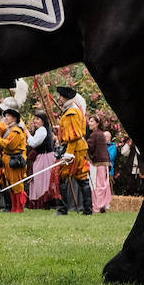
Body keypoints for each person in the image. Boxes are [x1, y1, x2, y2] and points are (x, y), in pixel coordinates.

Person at [55, 86, 92, 216]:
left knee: (61, 176)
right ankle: (88, 210)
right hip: (79, 147)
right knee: (82, 177)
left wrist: (68, 153)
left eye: (60, 96)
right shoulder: (73, 109)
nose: (58, 98)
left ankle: (62, 209)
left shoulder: (71, 112)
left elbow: (73, 135)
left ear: (64, 97)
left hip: (74, 148)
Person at [0, 106, 28, 213]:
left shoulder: (16, 131)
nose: (6, 118)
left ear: (14, 119)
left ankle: (19, 208)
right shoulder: (10, 131)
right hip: (8, 160)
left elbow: (10, 146)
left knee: (16, 184)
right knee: (11, 184)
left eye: (8, 116)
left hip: (15, 160)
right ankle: (14, 208)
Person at [86, 115, 112, 213]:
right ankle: (103, 205)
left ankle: (97, 206)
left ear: (97, 123)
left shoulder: (95, 134)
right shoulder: (100, 134)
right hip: (104, 163)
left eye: (91, 121)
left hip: (99, 163)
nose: (89, 123)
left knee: (97, 184)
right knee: (103, 184)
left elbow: (87, 146)